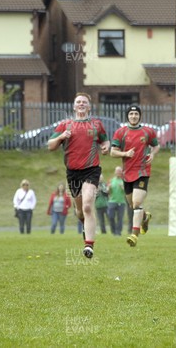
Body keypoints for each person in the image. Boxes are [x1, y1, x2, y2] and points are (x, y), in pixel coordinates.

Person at [48, 92, 110, 258]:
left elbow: (105, 140)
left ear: (89, 106)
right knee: (80, 212)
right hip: (73, 172)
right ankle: (85, 226)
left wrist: (106, 147)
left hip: (91, 169)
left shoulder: (96, 125)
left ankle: (89, 246)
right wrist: (61, 136)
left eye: (84, 102)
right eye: (79, 102)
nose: (81, 104)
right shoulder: (65, 125)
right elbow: (50, 145)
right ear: (74, 106)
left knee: (88, 205)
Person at [110, 105, 159, 247]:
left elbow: (156, 145)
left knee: (137, 203)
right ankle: (145, 216)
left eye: (136, 114)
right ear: (127, 116)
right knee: (133, 205)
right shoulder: (121, 132)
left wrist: (153, 154)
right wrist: (125, 154)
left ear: (140, 116)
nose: (133, 116)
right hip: (127, 174)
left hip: (142, 172)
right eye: (131, 114)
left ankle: (134, 235)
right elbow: (113, 152)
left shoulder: (148, 131)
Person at [107, 166, 126, 236]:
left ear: (121, 172)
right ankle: (113, 231)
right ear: (115, 172)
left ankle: (118, 232)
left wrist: (123, 188)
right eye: (117, 171)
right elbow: (108, 192)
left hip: (121, 202)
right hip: (112, 201)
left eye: (119, 171)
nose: (118, 172)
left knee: (120, 218)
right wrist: (108, 188)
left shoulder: (124, 181)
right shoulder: (111, 180)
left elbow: (127, 192)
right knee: (111, 217)